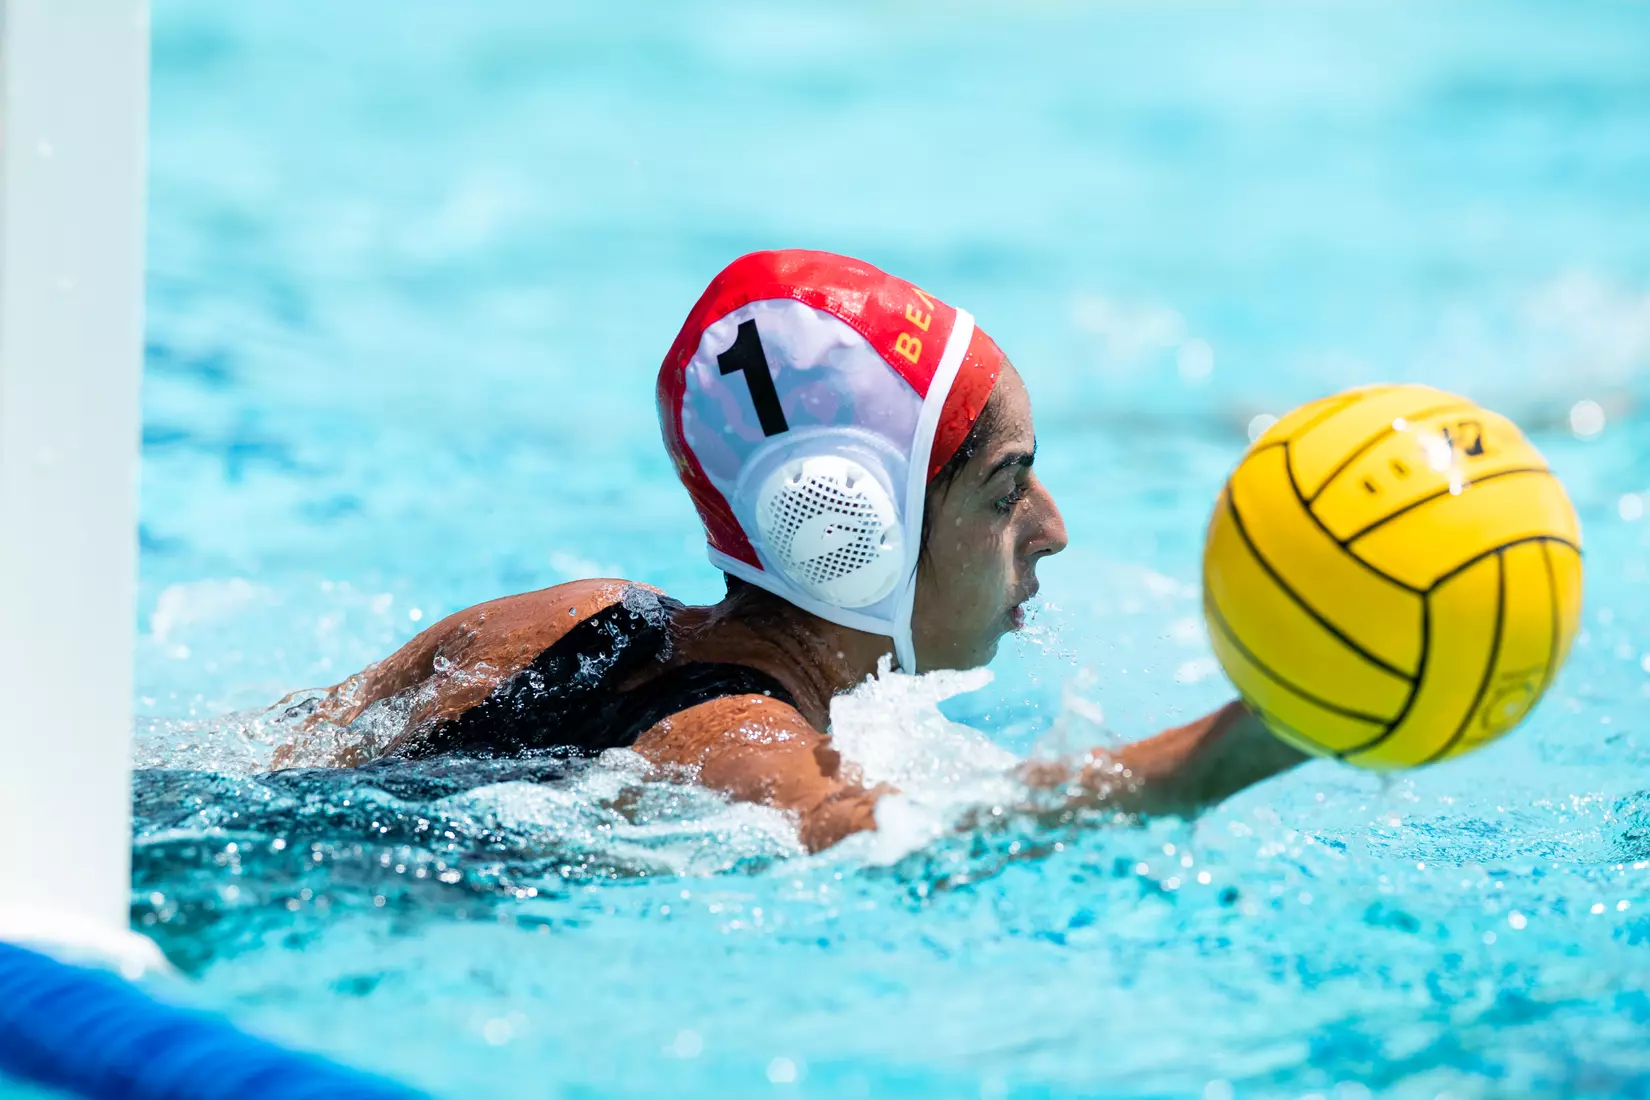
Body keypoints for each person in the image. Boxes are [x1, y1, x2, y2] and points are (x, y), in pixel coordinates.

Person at [272, 250, 1306, 850]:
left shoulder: (560, 620)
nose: (1053, 527)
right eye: (1005, 489)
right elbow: (930, 838)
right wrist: (1256, 740)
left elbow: (262, 755)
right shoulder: (746, 748)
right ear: (850, 525)